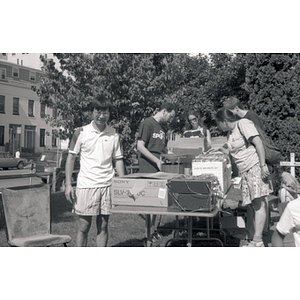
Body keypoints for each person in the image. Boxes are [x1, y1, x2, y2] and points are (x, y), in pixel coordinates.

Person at [65, 96, 125, 247]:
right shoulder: (81, 132)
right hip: (86, 186)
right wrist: (67, 185)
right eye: (98, 111)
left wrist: (123, 183)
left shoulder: (114, 135)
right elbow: (71, 158)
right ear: (92, 112)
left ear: (109, 113)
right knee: (84, 227)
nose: (101, 115)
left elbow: (118, 160)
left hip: (107, 186)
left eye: (105, 112)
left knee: (103, 226)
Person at [215, 107, 272, 247]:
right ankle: (255, 238)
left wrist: (263, 165)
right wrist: (219, 151)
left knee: (259, 203)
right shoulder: (231, 133)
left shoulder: (243, 124)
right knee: (254, 204)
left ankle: (257, 241)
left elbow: (258, 143)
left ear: (224, 120)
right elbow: (234, 151)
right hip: (245, 171)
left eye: (218, 123)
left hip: (255, 166)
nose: (217, 126)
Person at [137, 101, 176, 173]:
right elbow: (140, 146)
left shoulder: (163, 128)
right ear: (164, 111)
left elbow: (162, 149)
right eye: (170, 117)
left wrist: (175, 157)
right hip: (148, 167)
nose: (170, 120)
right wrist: (157, 161)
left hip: (160, 167)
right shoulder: (147, 123)